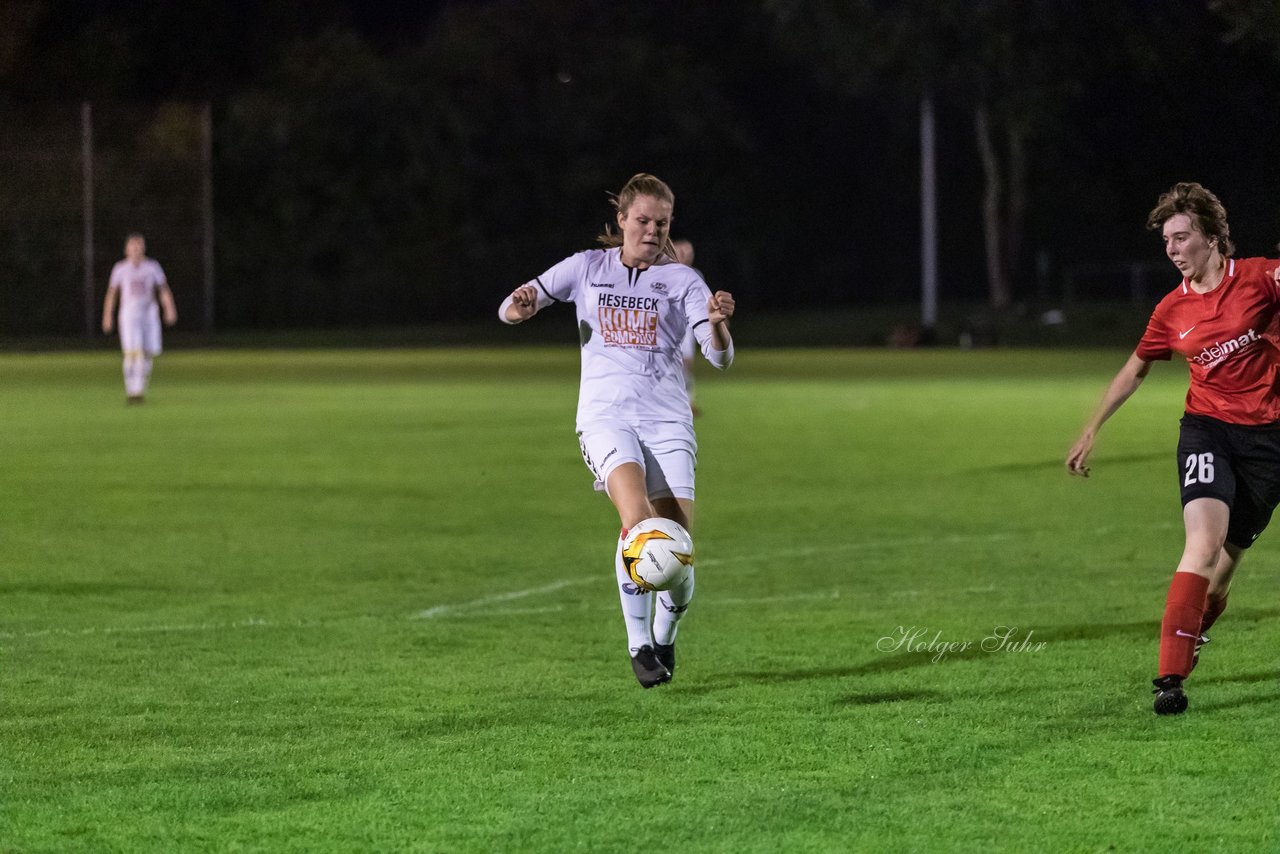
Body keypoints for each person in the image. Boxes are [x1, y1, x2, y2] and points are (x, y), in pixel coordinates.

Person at [499, 173, 735, 688]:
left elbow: (720, 358)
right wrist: (520, 306)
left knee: (676, 550)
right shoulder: (586, 268)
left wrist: (717, 322)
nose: (652, 230)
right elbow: (514, 306)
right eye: (644, 220)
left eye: (663, 223)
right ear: (623, 219)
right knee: (638, 526)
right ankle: (639, 644)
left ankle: (666, 631)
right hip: (605, 417)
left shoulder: (682, 282)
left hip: (668, 420)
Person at [1066, 182, 1280, 715]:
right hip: (1206, 430)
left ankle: (1193, 634)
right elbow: (1137, 366)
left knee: (1224, 568)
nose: (1173, 249)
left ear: (1212, 239)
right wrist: (1093, 427)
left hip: (1270, 440)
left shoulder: (1261, 278)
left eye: (1182, 238)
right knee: (1202, 544)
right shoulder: (1171, 309)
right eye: (1167, 240)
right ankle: (1169, 677)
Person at [102, 233, 178, 403]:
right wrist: (107, 315)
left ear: (143, 249)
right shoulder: (120, 268)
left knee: (148, 352)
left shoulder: (152, 267)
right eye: (133, 247)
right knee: (132, 352)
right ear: (126, 250)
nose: (136, 250)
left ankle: (140, 387)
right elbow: (112, 293)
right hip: (129, 315)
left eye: (139, 247)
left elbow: (163, 289)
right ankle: (132, 389)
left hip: (149, 314)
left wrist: (169, 308)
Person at [673, 238, 702, 415]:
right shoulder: (663, 272)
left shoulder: (695, 274)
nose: (686, 256)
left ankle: (687, 401)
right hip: (668, 329)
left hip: (687, 329)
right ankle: (674, 401)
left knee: (686, 366)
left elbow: (702, 302)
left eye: (689, 253)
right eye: (682, 252)